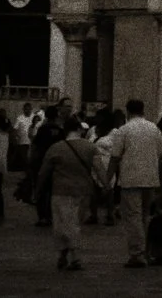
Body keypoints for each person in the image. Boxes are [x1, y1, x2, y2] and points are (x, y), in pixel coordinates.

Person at [100, 99, 162, 268]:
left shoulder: (124, 130)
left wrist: (107, 180)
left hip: (130, 178)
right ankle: (145, 250)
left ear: (128, 111)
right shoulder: (154, 128)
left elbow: (114, 158)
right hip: (150, 178)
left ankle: (137, 253)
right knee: (145, 215)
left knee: (133, 216)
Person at [35, 114, 104, 272]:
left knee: (63, 224)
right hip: (84, 191)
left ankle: (72, 256)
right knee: (74, 223)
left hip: (61, 190)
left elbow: (43, 173)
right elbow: (99, 169)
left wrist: (38, 191)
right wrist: (106, 185)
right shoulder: (90, 147)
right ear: (79, 129)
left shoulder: (55, 148)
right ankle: (67, 256)